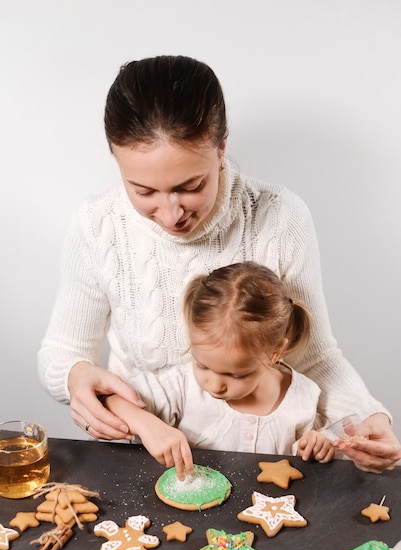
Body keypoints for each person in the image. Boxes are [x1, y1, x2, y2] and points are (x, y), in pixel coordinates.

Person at [38, 54, 401, 474]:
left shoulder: (281, 217)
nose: (171, 215)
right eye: (143, 191)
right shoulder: (97, 224)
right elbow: (62, 353)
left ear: (222, 146)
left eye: (190, 186)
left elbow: (313, 356)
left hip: (255, 461)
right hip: (140, 453)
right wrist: (77, 379)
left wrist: (367, 416)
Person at [103, 262, 335, 478]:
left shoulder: (303, 398)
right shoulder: (182, 386)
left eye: (235, 375)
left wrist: (316, 446)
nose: (215, 385)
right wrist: (148, 426)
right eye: (202, 365)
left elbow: (301, 462)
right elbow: (109, 399)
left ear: (275, 352)